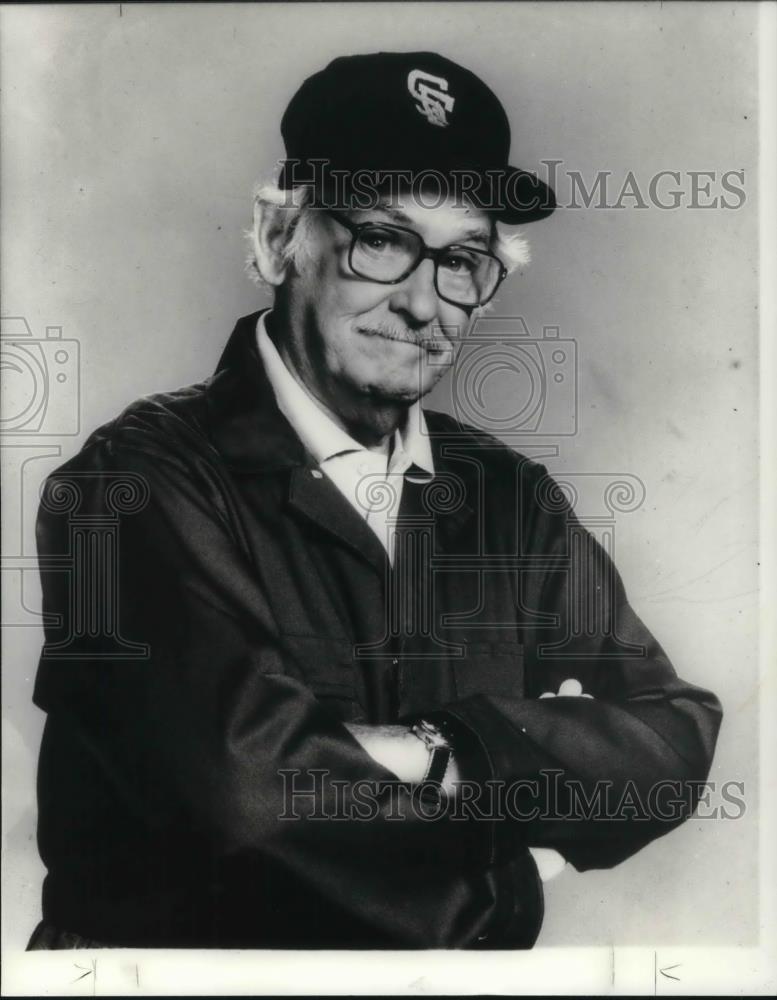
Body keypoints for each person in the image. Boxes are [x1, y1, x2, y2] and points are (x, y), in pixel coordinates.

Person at [28, 51, 722, 950]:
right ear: (282, 239)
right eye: (383, 239)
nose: (422, 302)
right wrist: (510, 805)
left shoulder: (510, 499)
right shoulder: (126, 486)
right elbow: (252, 802)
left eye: (462, 259)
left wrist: (439, 749)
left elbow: (671, 747)